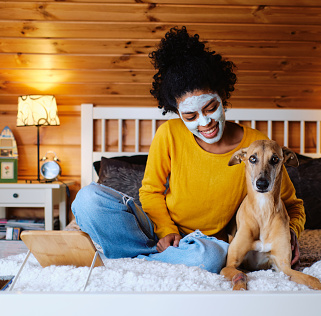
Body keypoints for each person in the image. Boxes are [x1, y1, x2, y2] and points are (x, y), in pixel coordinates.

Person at [72, 27, 305, 274]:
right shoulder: (169, 133)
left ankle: (125, 261)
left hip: (204, 243)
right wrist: (166, 231)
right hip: (155, 230)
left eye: (210, 107)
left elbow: (292, 205)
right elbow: (150, 191)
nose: (204, 122)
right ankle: (156, 256)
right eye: (191, 115)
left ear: (223, 97)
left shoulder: (257, 148)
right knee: (87, 199)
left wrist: (289, 235)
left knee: (210, 259)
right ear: (177, 113)